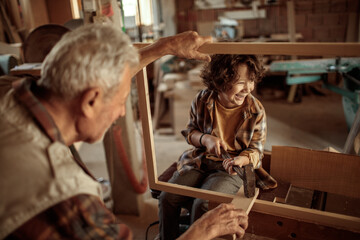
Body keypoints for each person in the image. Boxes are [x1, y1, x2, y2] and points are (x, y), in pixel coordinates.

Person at [0, 23, 248, 239]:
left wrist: (162, 47)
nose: (120, 112)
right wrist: (203, 230)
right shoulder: (69, 202)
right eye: (121, 100)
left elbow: (99, 77)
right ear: (90, 101)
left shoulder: (10, 96)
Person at [159, 54, 271, 239]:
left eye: (251, 81)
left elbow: (257, 151)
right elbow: (190, 133)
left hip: (232, 169)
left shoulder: (256, 110)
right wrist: (205, 139)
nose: (248, 89)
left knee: (202, 205)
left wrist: (242, 159)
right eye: (241, 82)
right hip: (200, 160)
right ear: (221, 80)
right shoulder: (203, 99)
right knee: (166, 198)